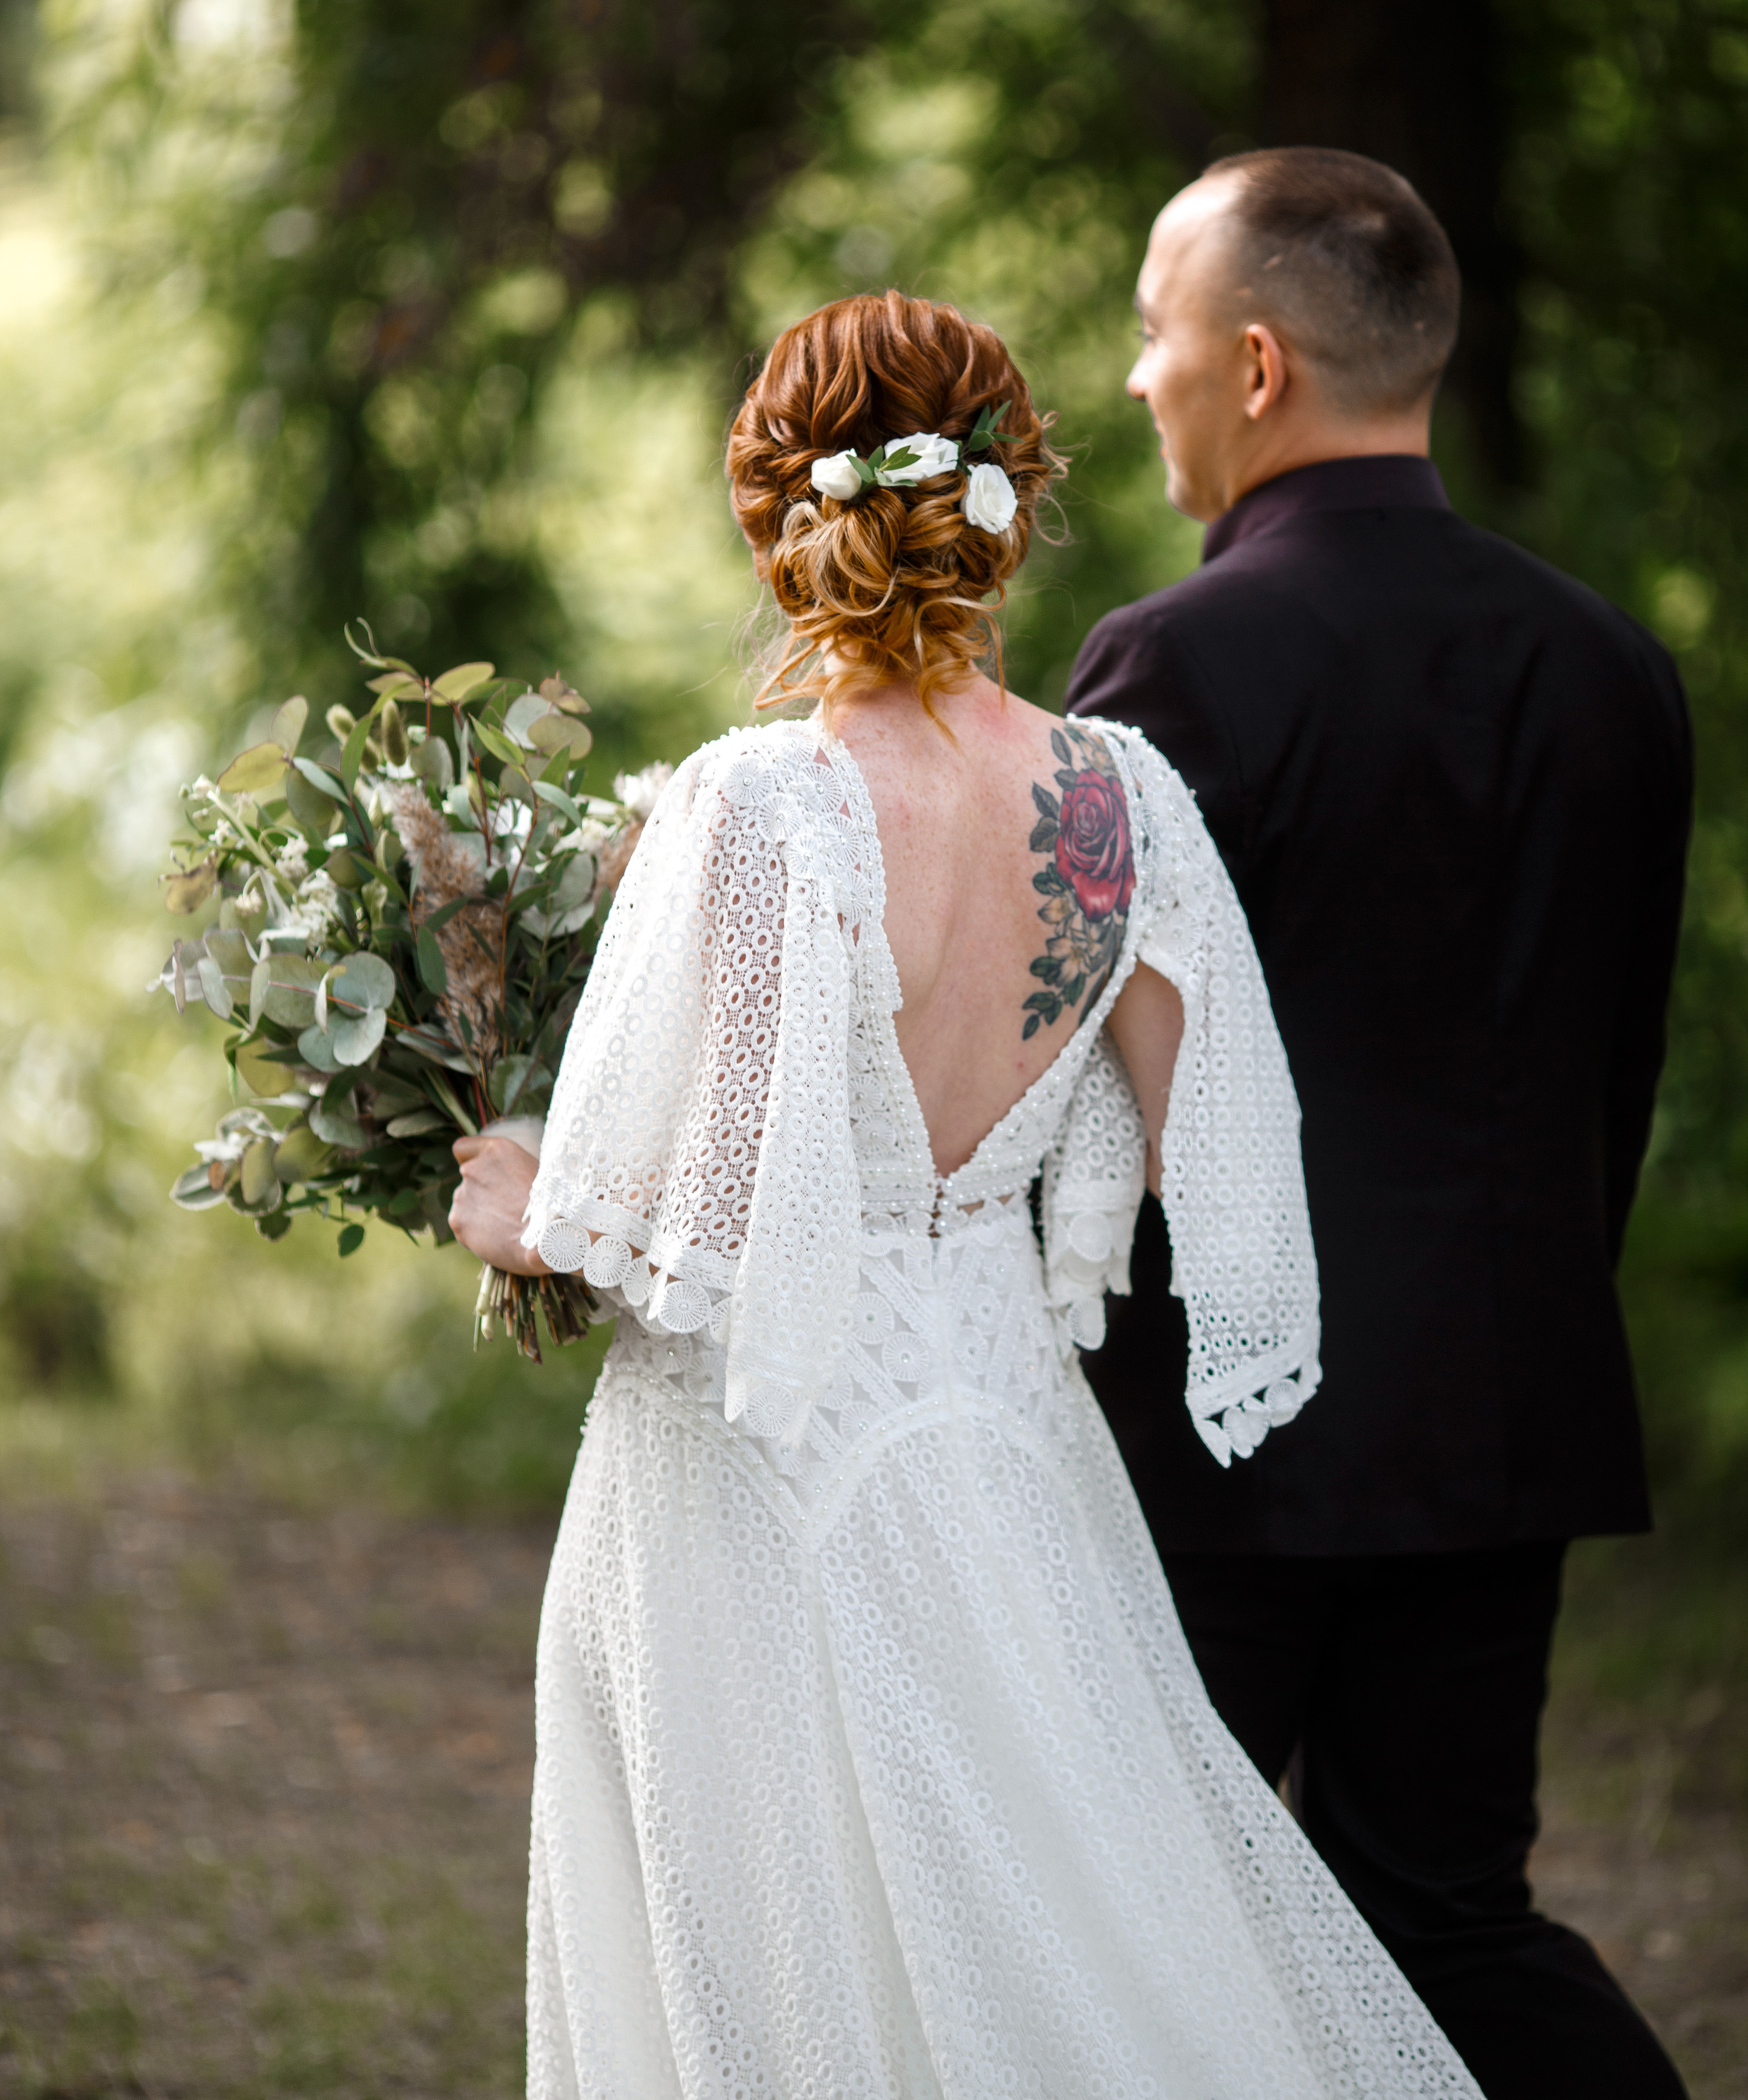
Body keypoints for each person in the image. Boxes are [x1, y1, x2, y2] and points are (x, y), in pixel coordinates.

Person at [450, 288, 1483, 2099]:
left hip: (749, 1472)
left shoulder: (751, 805)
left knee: (777, 1939)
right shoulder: (1123, 801)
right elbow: (1197, 1157)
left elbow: (652, 1237)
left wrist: (508, 1191)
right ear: (1015, 499)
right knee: (1061, 1900)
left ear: (782, 523)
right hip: (1006, 1433)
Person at [1067, 150, 1693, 2100]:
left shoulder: (1173, 666)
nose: (1136, 375)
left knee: (1125, 1906)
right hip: (1503, 1414)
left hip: (1221, 1432)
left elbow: (1082, 1070)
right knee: (1443, 1914)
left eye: (1157, 330)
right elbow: (1616, 1079)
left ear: (1256, 365)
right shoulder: (1609, 666)